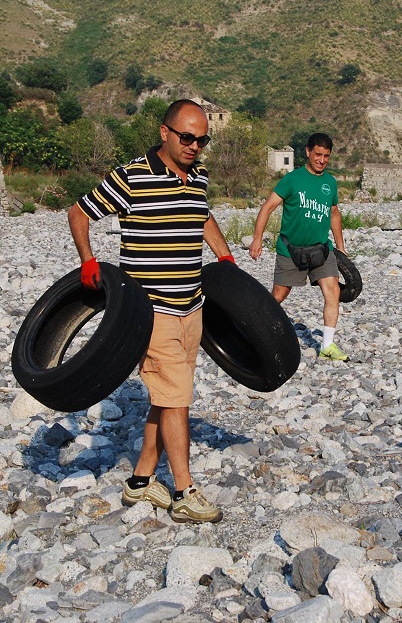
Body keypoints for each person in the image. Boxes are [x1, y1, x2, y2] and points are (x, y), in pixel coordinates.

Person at [67, 99, 234, 524]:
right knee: (177, 401)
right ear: (165, 132)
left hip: (192, 306)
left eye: (202, 139)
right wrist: (89, 260)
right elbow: (79, 212)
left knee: (166, 398)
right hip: (151, 310)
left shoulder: (199, 177)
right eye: (187, 137)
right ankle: (184, 490)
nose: (195, 145)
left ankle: (141, 481)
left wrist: (224, 256)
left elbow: (203, 215)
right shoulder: (131, 176)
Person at [249, 133, 349, 361]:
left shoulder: (330, 182)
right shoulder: (292, 179)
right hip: (290, 250)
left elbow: (334, 214)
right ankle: (254, 330)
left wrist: (341, 246)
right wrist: (257, 239)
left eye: (326, 156)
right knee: (278, 296)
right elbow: (267, 207)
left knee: (332, 291)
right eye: (318, 155)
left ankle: (327, 346)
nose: (322, 160)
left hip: (321, 250)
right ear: (307, 152)